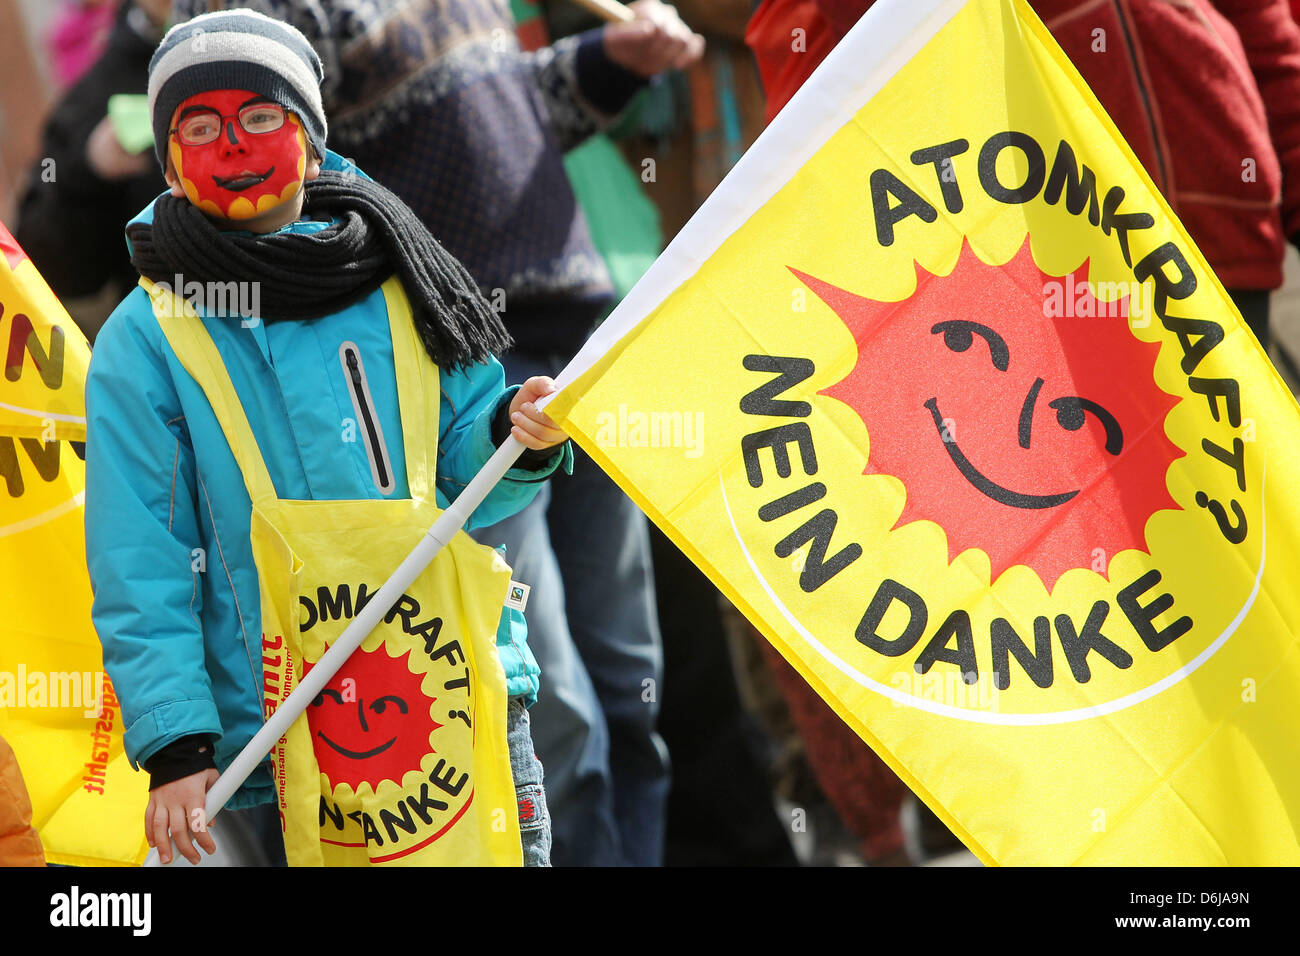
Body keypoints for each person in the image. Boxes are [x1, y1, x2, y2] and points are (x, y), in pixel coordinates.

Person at [173, 0, 703, 866]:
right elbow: (289, 174)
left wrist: (611, 58)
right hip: (457, 369)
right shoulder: (270, 12)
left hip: (573, 341)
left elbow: (515, 114)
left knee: (625, 676)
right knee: (546, 696)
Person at [84, 9, 570, 866]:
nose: (232, 143)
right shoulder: (144, 339)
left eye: (259, 117)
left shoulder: (405, 276)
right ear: (167, 161)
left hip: (459, 703)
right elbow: (141, 561)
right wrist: (176, 745)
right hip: (274, 743)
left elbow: (467, 478)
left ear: (308, 132)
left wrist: (514, 436)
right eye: (199, 127)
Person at [16, 0, 171, 341]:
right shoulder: (89, 100)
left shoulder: (302, 41)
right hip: (173, 350)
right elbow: (44, 250)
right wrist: (87, 169)